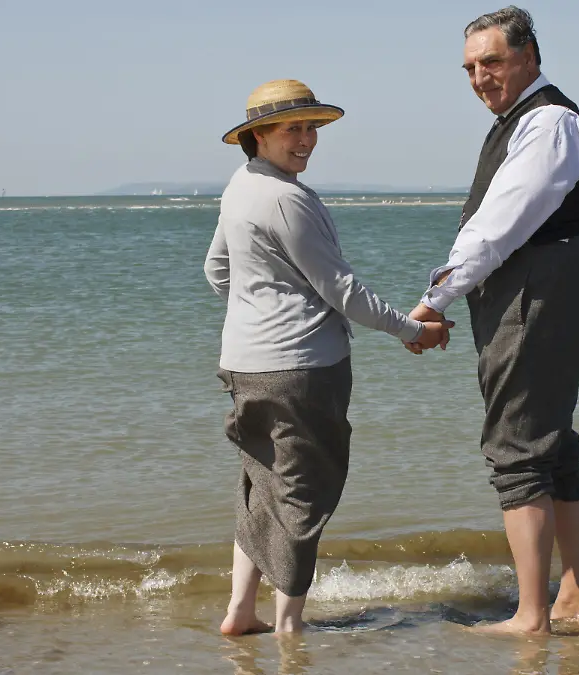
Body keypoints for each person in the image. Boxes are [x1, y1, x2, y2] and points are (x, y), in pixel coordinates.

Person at [204, 79, 453, 635]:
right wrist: (413, 330)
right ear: (258, 136)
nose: (308, 139)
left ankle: (241, 613)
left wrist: (257, 308)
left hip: (243, 363)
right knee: (301, 495)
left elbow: (217, 272)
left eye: (313, 127)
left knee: (261, 486)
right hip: (301, 370)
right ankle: (290, 626)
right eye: (293, 128)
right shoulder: (287, 199)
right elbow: (343, 291)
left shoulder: (240, 186)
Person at [407, 6, 579, 635]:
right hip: (546, 287)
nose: (479, 77)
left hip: (535, 292)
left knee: (517, 450)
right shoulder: (529, 120)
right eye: (469, 67)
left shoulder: (547, 122)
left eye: (491, 61)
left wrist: (436, 295)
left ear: (529, 55)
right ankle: (569, 599)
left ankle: (532, 614)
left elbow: (499, 226)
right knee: (553, 448)